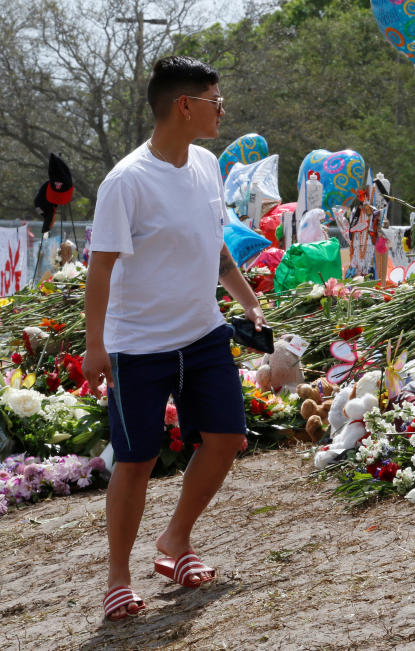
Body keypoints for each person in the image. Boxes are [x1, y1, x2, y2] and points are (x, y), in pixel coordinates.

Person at [82, 56, 265, 622]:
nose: (222, 109)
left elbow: (213, 246)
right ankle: (117, 577)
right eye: (216, 100)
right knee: (135, 462)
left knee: (227, 437)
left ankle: (175, 541)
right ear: (185, 105)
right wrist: (94, 347)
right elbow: (101, 269)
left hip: (202, 334)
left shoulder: (207, 165)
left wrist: (248, 301)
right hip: (137, 346)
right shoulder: (127, 181)